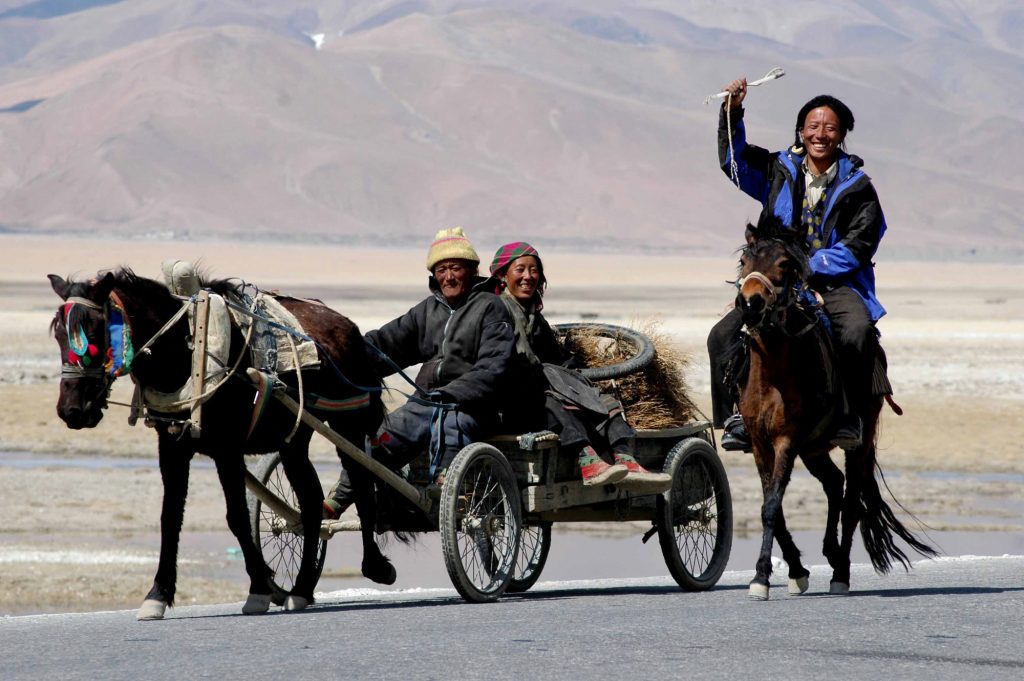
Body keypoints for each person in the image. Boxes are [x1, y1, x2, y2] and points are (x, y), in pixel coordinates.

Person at [709, 77, 887, 452]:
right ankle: (735, 418)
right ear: (801, 131)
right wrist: (732, 111)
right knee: (722, 335)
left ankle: (849, 416)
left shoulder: (858, 187)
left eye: (830, 128)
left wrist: (806, 266)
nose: (820, 134)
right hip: (776, 281)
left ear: (842, 135)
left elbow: (859, 244)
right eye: (813, 126)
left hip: (836, 284)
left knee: (857, 332)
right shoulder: (777, 169)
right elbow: (734, 163)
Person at [325, 226, 515, 517]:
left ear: (472, 270)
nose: (448, 277)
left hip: (472, 406)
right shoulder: (427, 310)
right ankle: (338, 500)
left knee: (452, 427)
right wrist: (345, 351)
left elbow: (494, 364)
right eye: (441, 270)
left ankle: (448, 492)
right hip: (425, 403)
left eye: (455, 268)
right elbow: (387, 343)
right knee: (380, 439)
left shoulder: (491, 307)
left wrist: (452, 392)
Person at [490, 241, 671, 492]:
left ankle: (625, 458)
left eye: (534, 270)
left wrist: (571, 366)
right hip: (513, 404)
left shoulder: (534, 317)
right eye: (520, 270)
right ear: (502, 275)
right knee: (553, 401)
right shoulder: (497, 311)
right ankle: (587, 458)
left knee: (602, 399)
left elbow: (554, 357)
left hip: (537, 389)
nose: (528, 276)